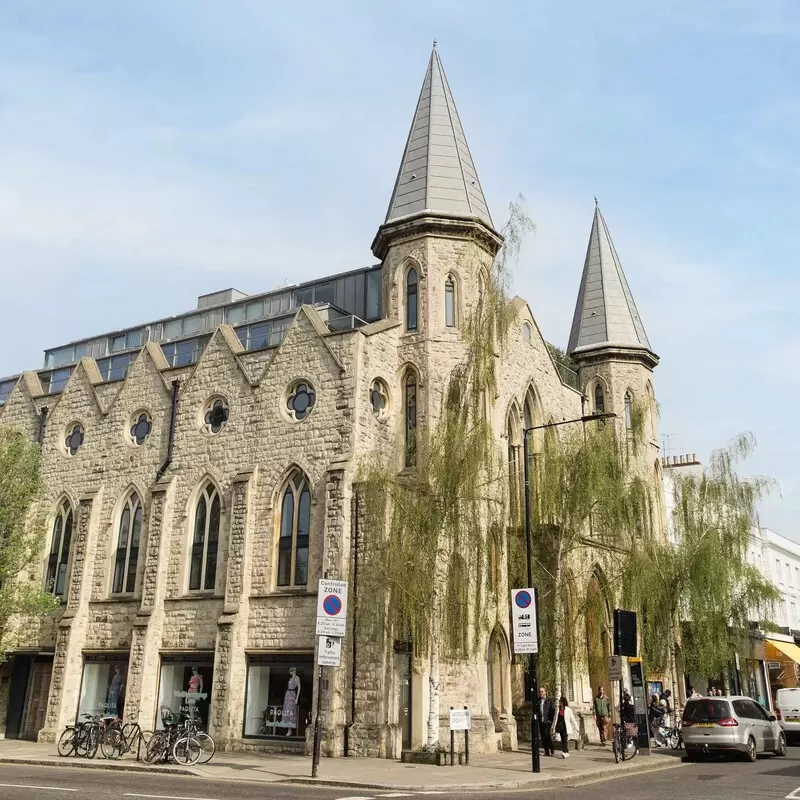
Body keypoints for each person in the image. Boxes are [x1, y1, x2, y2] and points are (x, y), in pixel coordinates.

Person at [537, 686, 555, 756]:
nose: (540, 693)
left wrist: (550, 720)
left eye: (542, 691)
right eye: (539, 692)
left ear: (545, 692)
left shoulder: (549, 701)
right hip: (541, 721)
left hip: (547, 721)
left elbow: (552, 711)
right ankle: (546, 751)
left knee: (547, 735)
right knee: (543, 736)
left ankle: (551, 748)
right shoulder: (538, 700)